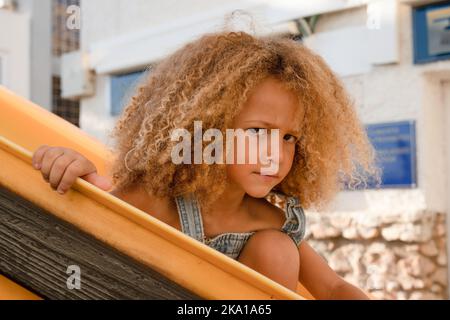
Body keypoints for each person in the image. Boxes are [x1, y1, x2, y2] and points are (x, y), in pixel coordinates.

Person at [32, 30, 380, 299]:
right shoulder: (157, 199)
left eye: (290, 137)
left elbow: (332, 289)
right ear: (206, 129)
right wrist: (70, 164)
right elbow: (100, 206)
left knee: (275, 248)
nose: (276, 152)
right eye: (258, 131)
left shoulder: (270, 220)